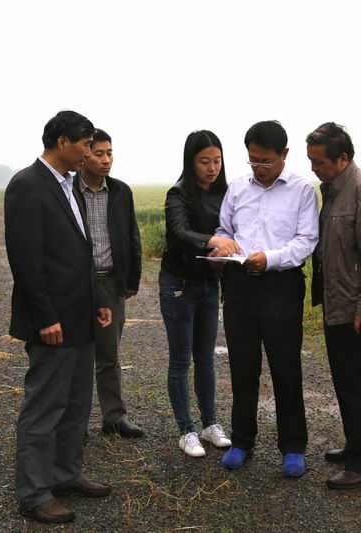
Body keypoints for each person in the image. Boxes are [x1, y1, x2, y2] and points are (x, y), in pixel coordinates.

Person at [4, 111, 113, 524]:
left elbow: (82, 252)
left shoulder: (70, 186)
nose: (90, 152)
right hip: (53, 323)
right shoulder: (27, 185)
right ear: (63, 142)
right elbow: (26, 260)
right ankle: (34, 494)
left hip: (81, 318)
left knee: (76, 404)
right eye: (85, 145)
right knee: (44, 407)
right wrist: (45, 316)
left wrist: (98, 298)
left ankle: (65, 475)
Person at [215, 120, 319, 477]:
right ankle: (242, 441)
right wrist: (222, 244)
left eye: (266, 161)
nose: (259, 167)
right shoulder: (237, 188)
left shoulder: (302, 191)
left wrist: (270, 259)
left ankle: (292, 447)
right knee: (242, 367)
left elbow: (306, 241)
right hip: (239, 285)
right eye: (253, 160)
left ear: (284, 154)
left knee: (285, 368)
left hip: (281, 286)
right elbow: (224, 228)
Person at [306, 122, 361, 490]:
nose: (314, 168)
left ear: (342, 158)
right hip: (337, 303)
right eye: (311, 161)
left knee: (359, 383)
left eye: (319, 162)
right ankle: (356, 445)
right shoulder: (334, 189)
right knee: (345, 380)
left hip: (356, 309)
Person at [159, 130, 236, 458]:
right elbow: (179, 232)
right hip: (179, 285)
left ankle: (209, 424)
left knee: (205, 357)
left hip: (209, 285)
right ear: (191, 162)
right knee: (181, 359)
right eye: (205, 161)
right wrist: (211, 241)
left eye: (217, 160)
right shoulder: (178, 194)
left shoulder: (226, 194)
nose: (212, 167)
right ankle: (186, 430)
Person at [76, 128, 144, 439]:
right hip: (77, 283)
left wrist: (131, 280)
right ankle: (74, 424)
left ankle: (114, 418)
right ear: (84, 155)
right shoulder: (68, 190)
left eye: (110, 153)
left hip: (110, 282)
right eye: (99, 153)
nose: (107, 160)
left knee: (109, 356)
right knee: (75, 356)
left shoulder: (120, 191)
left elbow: (132, 236)